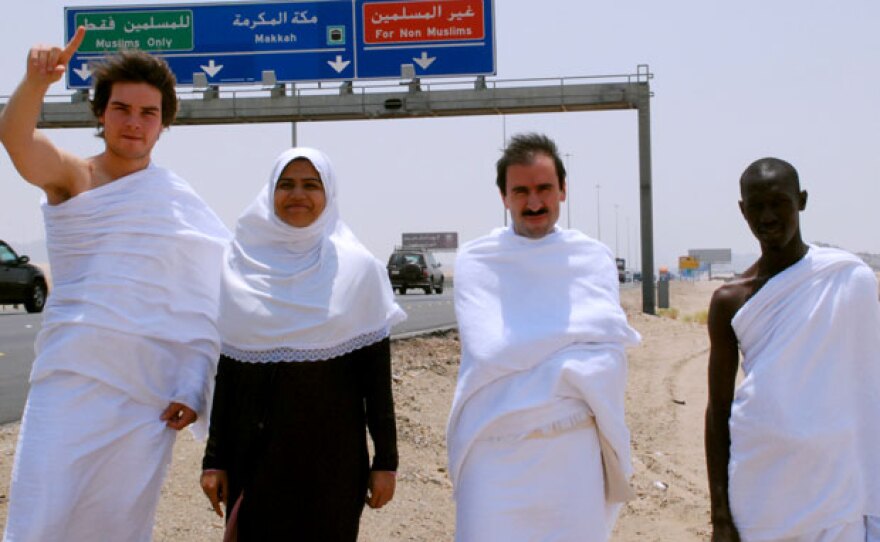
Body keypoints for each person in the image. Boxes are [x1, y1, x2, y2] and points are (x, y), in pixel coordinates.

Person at [0, 28, 230, 541]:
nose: (134, 122)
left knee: (117, 528)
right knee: (39, 520)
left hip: (143, 402)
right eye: (122, 109)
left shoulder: (177, 203)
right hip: (70, 383)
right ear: (100, 115)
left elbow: (204, 305)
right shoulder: (75, 178)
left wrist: (194, 385)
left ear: (164, 123)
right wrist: (35, 84)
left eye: (148, 113)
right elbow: (17, 143)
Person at [199, 147, 405, 541]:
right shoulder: (237, 265)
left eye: (311, 185)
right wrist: (214, 460)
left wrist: (386, 461)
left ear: (329, 196)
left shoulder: (359, 270)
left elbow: (376, 383)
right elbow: (228, 376)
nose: (298, 195)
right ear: (269, 193)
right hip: (253, 461)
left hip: (333, 464)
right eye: (286, 185)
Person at [446, 133, 641, 542]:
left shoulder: (592, 258)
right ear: (504, 197)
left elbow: (607, 356)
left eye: (543, 189)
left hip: (572, 451)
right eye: (521, 191)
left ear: (563, 191)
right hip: (492, 448)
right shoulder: (478, 260)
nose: (533, 202)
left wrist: (538, 364)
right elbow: (488, 352)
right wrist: (565, 363)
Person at [705, 157, 880, 542]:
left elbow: (869, 392)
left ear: (801, 201)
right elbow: (718, 412)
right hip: (760, 494)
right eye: (756, 206)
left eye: (779, 202)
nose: (767, 216)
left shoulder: (850, 279)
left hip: (835, 496)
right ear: (742, 210)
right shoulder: (729, 300)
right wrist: (720, 515)